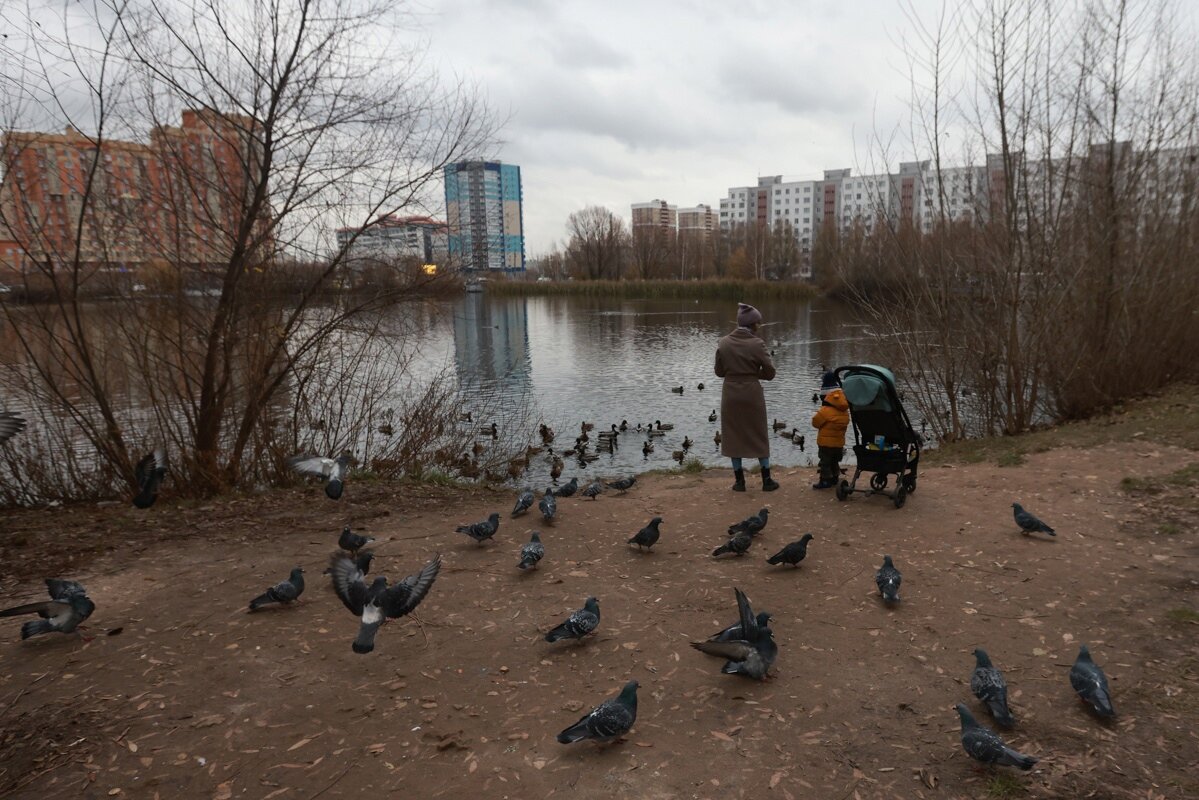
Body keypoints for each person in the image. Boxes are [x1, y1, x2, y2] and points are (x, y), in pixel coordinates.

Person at [715, 303, 777, 492]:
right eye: (758, 322)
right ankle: (766, 481)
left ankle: (739, 482)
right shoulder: (757, 344)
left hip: (731, 393)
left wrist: (735, 374)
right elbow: (770, 372)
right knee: (758, 434)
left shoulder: (723, 343)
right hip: (752, 394)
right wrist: (753, 375)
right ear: (752, 324)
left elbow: (719, 372)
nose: (759, 325)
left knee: (733, 435)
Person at [811, 370, 849, 489]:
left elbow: (815, 423)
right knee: (834, 461)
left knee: (825, 463)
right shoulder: (845, 411)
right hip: (838, 443)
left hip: (825, 444)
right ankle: (835, 478)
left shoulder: (825, 411)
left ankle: (825, 481)